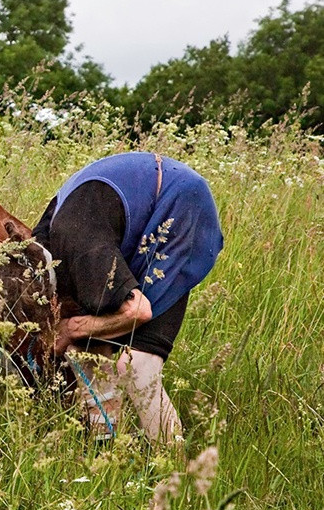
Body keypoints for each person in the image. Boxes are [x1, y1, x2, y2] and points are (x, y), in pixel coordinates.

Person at [33, 152, 223, 443]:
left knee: (137, 366)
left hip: (181, 204)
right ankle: (105, 449)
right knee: (90, 344)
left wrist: (68, 330)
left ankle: (174, 471)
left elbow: (137, 311)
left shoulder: (75, 241)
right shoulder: (48, 255)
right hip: (136, 212)